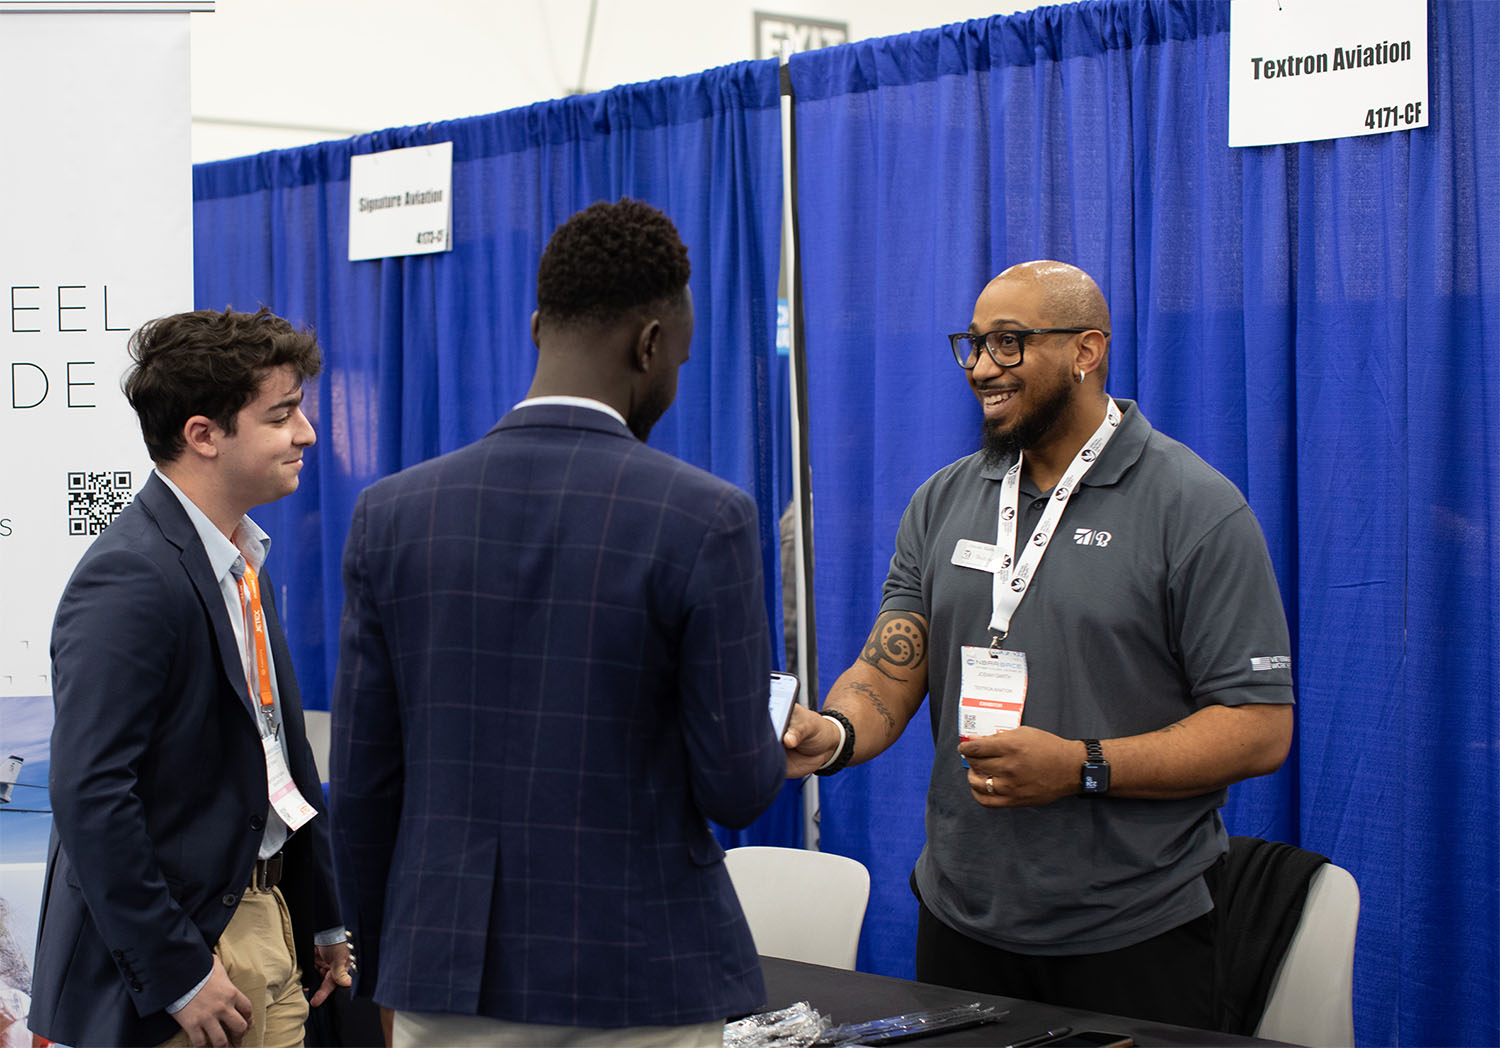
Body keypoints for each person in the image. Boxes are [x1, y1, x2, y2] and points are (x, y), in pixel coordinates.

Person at [784, 261, 1294, 1029]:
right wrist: (834, 734)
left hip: (1132, 935)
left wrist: (1083, 765)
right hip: (960, 923)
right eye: (975, 344)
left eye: (1010, 343)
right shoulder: (945, 499)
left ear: (1087, 350)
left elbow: (1258, 728)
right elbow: (892, 664)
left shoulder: (1194, 508)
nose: (983, 367)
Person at [330, 198, 785, 1047]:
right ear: (650, 345)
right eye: (678, 359)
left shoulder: (391, 514)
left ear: (538, 325)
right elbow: (736, 786)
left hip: (450, 970)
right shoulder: (705, 518)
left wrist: (389, 965)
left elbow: (361, 786)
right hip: (643, 970)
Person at [30, 308, 351, 1047]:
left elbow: (279, 762)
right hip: (189, 957)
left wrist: (321, 913)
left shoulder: (244, 562)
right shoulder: (129, 575)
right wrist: (175, 969)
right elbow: (90, 791)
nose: (306, 434)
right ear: (204, 435)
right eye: (283, 415)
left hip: (269, 926)